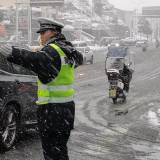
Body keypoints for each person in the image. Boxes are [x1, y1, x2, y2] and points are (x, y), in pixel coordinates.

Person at [0, 17, 83, 160]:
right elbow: (78, 58)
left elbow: (33, 59)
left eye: (43, 33)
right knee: (60, 151)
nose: (41, 36)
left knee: (53, 154)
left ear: (53, 33)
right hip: (66, 111)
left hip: (52, 112)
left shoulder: (52, 51)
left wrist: (12, 53)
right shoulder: (68, 51)